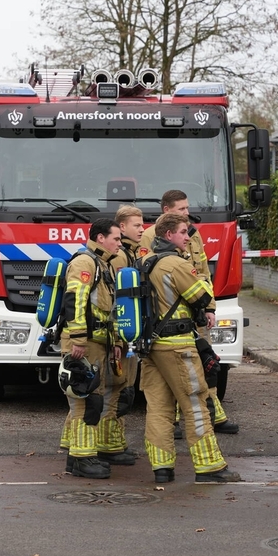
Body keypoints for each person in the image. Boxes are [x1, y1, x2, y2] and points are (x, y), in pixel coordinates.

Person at [139, 213, 240, 484]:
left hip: (151, 347)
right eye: (184, 232)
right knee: (195, 404)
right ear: (168, 235)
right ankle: (209, 467)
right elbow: (201, 295)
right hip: (179, 346)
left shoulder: (144, 262)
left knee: (158, 408)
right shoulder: (175, 263)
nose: (188, 237)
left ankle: (162, 469)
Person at [59, 218, 129, 479]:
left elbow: (106, 310)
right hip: (84, 344)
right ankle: (83, 459)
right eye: (116, 239)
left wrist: (116, 344)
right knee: (85, 401)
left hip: (98, 342)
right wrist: (78, 337)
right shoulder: (85, 262)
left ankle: (76, 457)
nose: (119, 244)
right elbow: (74, 299)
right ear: (101, 238)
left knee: (90, 399)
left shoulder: (104, 264)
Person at [105, 204, 146, 453]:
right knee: (118, 390)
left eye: (142, 225)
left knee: (123, 389)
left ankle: (114, 441)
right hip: (121, 334)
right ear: (122, 227)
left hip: (125, 334)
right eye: (137, 225)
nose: (142, 229)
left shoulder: (130, 253)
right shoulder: (121, 256)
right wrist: (120, 339)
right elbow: (117, 300)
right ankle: (110, 443)